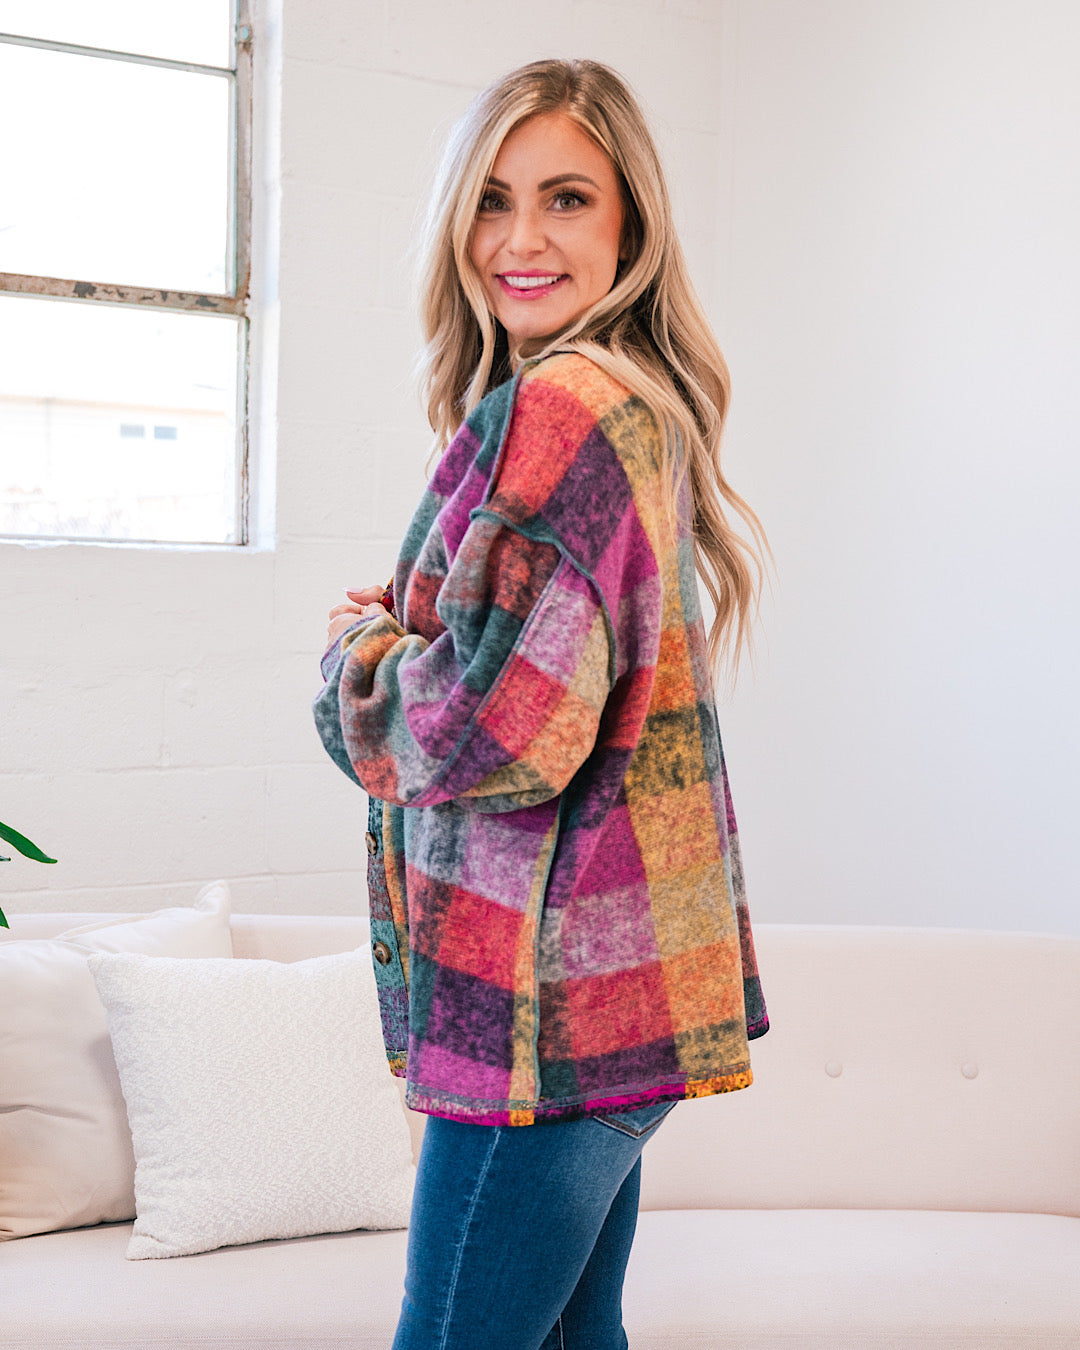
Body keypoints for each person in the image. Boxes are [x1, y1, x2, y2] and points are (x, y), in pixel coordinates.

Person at [314, 57, 771, 1350]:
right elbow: (544, 674)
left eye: (567, 198)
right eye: (492, 199)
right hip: (607, 1003)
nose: (521, 239)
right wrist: (431, 632)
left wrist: (358, 653)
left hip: (539, 1009)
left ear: (630, 221)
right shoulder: (628, 404)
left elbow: (492, 732)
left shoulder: (563, 407)